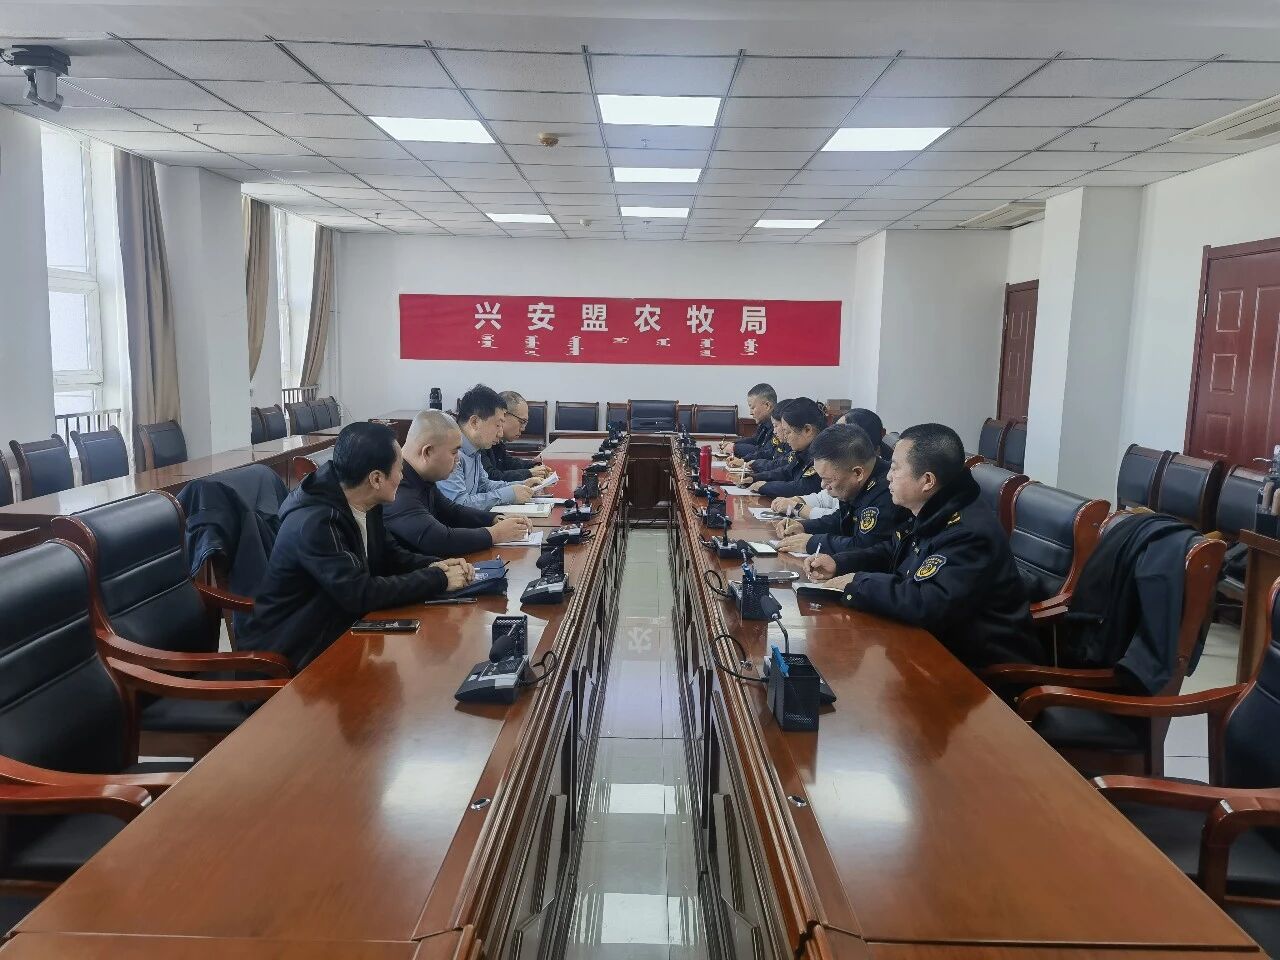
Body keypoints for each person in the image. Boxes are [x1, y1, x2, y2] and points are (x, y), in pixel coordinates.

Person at [802, 423, 1040, 669]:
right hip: (931, 645)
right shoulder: (934, 508)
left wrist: (859, 583)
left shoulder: (967, 532)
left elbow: (928, 602)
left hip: (977, 667)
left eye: (896, 468)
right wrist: (839, 563)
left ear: (927, 480)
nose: (887, 476)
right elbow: (892, 551)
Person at [239, 422, 474, 670]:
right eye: (399, 469)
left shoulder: (363, 500)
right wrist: (437, 579)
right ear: (376, 478)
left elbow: (390, 555)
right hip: (295, 650)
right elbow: (360, 594)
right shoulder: (317, 523)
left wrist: (436, 564)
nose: (402, 477)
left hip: (334, 629)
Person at [386, 409, 534, 557]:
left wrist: (495, 518)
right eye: (454, 452)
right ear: (428, 452)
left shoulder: (420, 477)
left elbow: (452, 511)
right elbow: (438, 539)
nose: (458, 459)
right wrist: (495, 534)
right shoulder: (397, 487)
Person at [772, 423, 905, 560]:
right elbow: (843, 519)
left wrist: (812, 543)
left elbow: (864, 546)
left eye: (828, 480)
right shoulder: (861, 479)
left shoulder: (887, 492)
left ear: (857, 473)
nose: (823, 486)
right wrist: (804, 526)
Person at [438, 384, 536, 510]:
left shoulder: (474, 450)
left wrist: (521, 485)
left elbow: (484, 485)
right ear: (475, 422)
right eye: (497, 425)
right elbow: (459, 504)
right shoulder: (451, 453)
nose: (500, 433)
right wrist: (509, 494)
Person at [741, 398, 826, 498]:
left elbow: (804, 488)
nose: (785, 436)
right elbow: (787, 471)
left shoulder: (823, 453)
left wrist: (766, 487)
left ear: (807, 430)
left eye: (788, 432)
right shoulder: (803, 450)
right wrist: (755, 478)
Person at [481, 391, 552, 483]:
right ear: (503, 415)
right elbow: (490, 476)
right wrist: (529, 473)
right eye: (522, 422)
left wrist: (533, 465)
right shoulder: (481, 440)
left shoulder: (496, 440)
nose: (523, 428)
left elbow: (507, 462)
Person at [716, 383, 775, 459]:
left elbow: (764, 452)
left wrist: (735, 448)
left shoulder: (779, 426)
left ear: (767, 406)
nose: (750, 412)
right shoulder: (764, 423)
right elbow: (754, 440)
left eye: (753, 408)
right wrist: (733, 444)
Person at [726, 401, 789, 472]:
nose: (774, 431)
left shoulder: (792, 447)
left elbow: (778, 466)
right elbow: (768, 452)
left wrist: (753, 466)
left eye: (753, 408)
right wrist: (744, 460)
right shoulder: (764, 425)